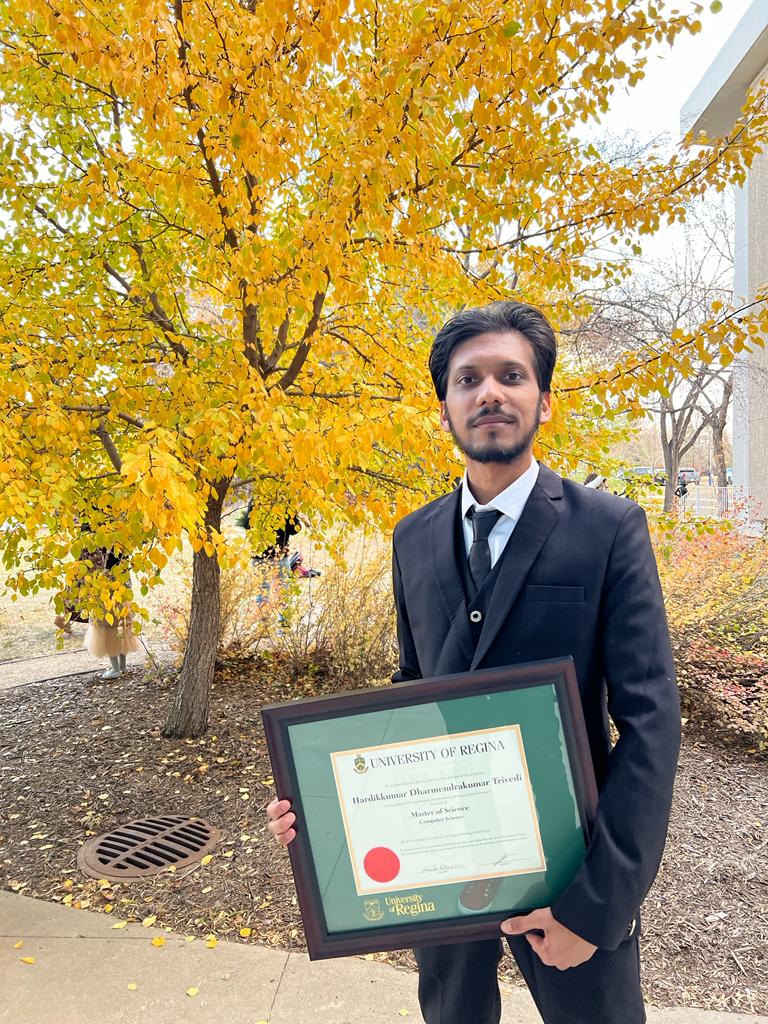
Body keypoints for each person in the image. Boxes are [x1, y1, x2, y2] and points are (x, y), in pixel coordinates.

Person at [267, 300, 680, 1024]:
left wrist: (597, 907)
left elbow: (652, 724)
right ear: (445, 410)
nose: (490, 392)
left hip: (571, 874)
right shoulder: (413, 537)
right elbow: (410, 691)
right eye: (468, 379)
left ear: (543, 401)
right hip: (440, 870)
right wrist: (323, 807)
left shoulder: (608, 529)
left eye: (511, 376)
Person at [83, 546, 141, 679]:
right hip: (123, 605)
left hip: (109, 606)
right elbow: (129, 587)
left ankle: (115, 669)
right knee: (122, 633)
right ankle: (123, 666)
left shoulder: (106, 574)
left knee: (108, 635)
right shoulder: (124, 571)